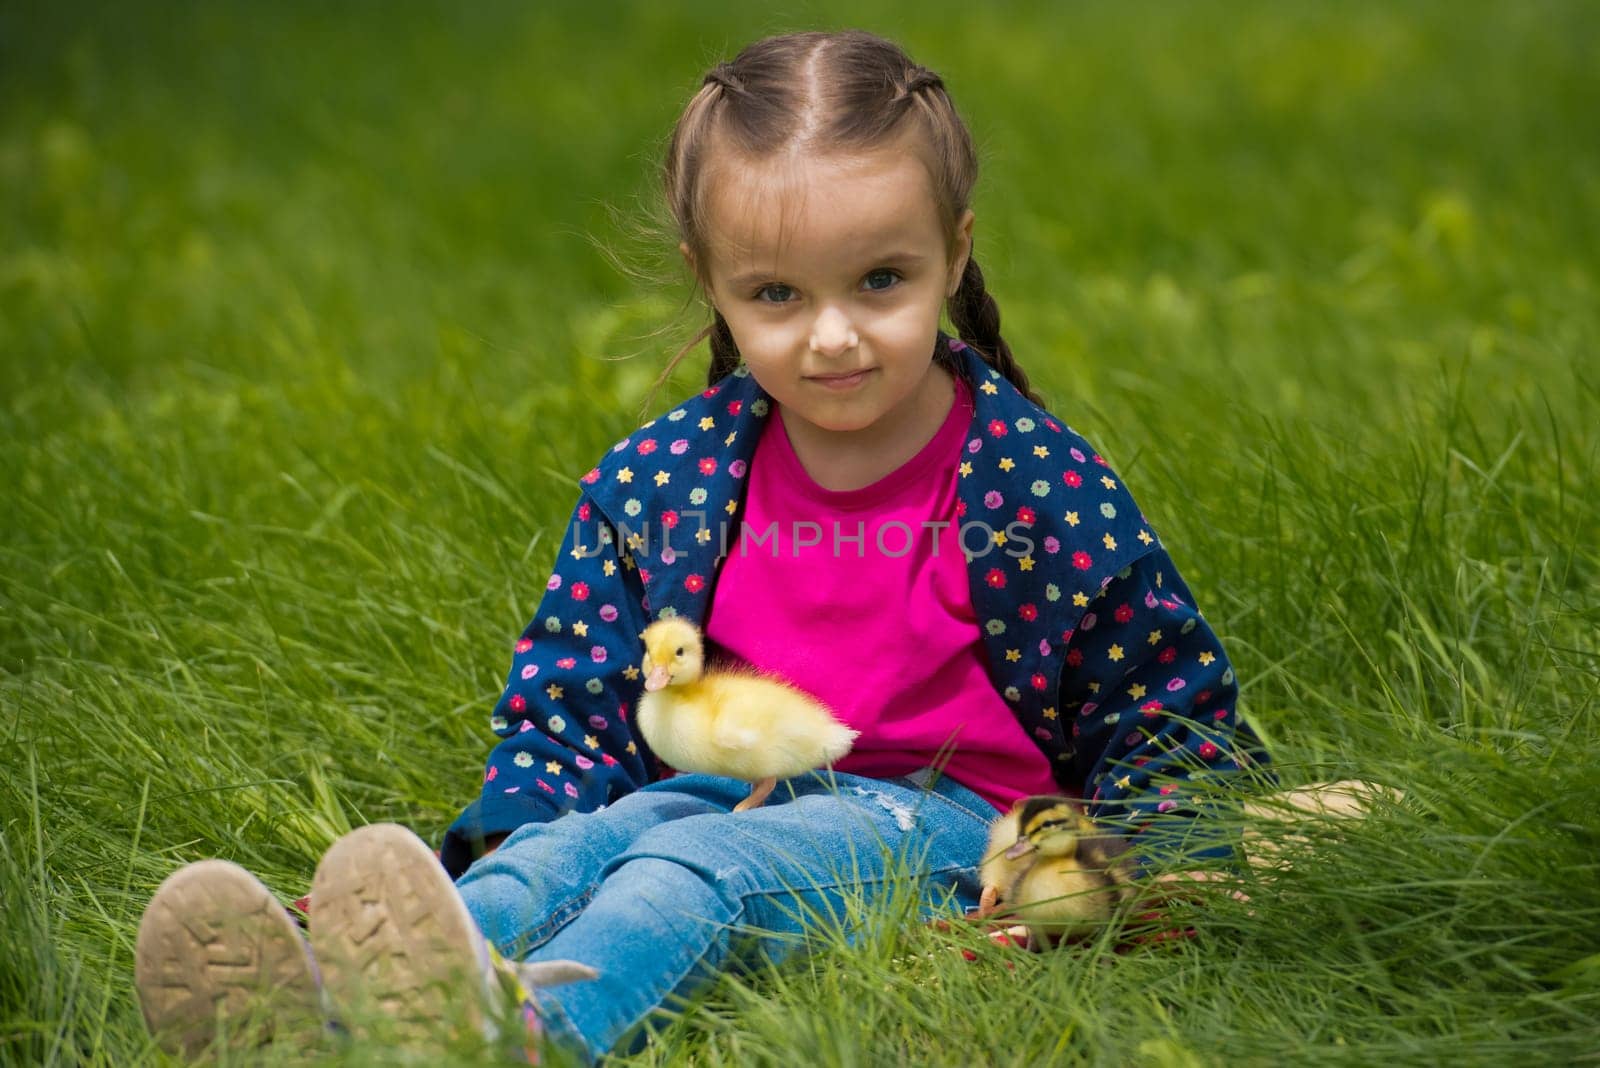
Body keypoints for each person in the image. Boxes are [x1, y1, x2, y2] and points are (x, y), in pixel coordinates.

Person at [135, 29, 1265, 1063]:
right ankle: (327, 999)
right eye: (776, 293)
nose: (833, 337)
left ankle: (514, 1037)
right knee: (587, 849)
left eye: (881, 280)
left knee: (690, 874)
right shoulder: (668, 483)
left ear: (954, 255)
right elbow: (575, 700)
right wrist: (519, 832)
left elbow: (1162, 699)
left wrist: (1145, 874)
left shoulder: (1029, 485)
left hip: (935, 821)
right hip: (736, 790)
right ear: (709, 283)